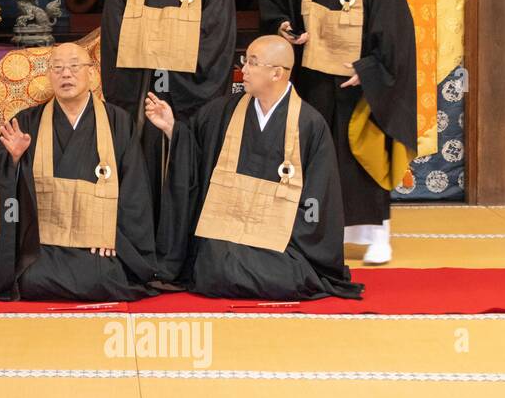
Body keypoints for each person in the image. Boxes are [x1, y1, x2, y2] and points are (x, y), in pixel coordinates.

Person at [259, 0, 417, 264]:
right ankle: (316, 234)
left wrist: (370, 67)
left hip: (357, 73)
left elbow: (391, 15)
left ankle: (376, 234)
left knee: (360, 152)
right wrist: (284, 27)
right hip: (312, 70)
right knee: (313, 152)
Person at [145, 35, 362, 300]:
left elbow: (318, 198)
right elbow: (194, 155)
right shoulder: (223, 111)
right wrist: (171, 128)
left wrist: (290, 231)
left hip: (280, 236)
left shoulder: (309, 124)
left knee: (285, 273)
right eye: (244, 61)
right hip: (227, 232)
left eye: (252, 63)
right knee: (216, 265)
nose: (243, 70)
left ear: (277, 73)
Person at [0, 41, 161, 301]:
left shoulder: (118, 121)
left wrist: (113, 235)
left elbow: (135, 190)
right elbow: (3, 174)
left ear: (91, 72)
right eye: (58, 68)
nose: (66, 74)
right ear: (48, 75)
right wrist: (15, 159)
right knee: (31, 279)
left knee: (101, 277)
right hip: (45, 243)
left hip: (98, 244)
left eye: (75, 66)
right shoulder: (28, 121)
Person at [101, 0, 236, 211]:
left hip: (189, 82)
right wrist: (158, 50)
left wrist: (165, 48)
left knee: (187, 151)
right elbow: (115, 23)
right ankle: (143, 231)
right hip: (141, 81)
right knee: (141, 154)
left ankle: (186, 232)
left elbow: (218, 26)